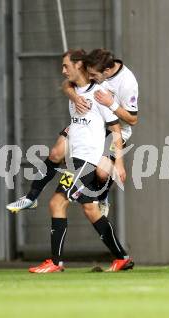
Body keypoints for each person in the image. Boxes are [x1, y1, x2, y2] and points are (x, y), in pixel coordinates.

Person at [28, 49, 133, 273]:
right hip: (78, 159)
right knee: (90, 209)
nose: (63, 70)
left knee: (57, 203)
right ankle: (121, 257)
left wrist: (120, 163)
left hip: (86, 161)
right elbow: (66, 87)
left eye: (66, 66)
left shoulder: (99, 94)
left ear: (78, 66)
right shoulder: (74, 91)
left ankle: (55, 263)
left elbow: (116, 129)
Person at [63, 49, 139, 217]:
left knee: (102, 172)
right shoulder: (95, 66)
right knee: (56, 151)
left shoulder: (127, 83)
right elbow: (67, 84)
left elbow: (132, 120)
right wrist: (75, 97)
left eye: (93, 75)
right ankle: (34, 194)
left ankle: (102, 196)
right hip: (92, 125)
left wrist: (111, 104)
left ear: (106, 72)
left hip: (115, 131)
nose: (89, 78)